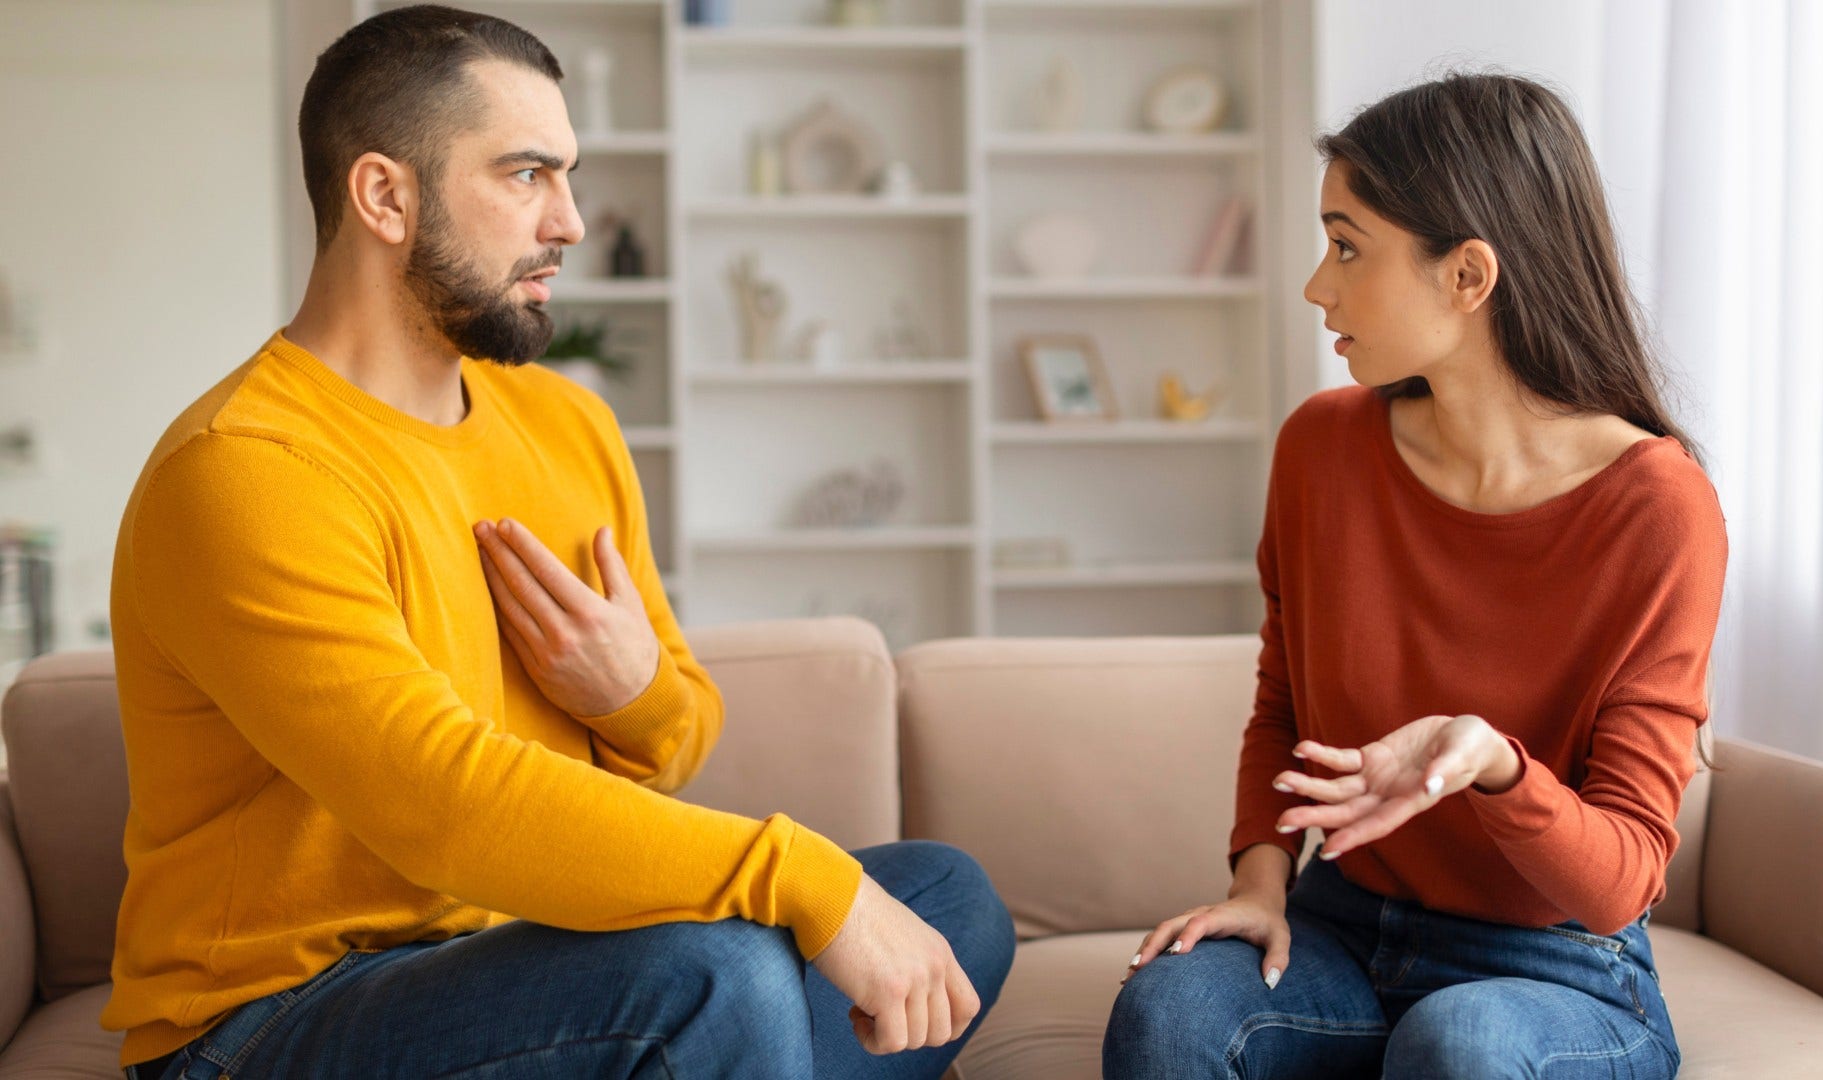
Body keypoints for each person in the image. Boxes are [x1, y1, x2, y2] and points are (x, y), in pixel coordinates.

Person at [101, 7, 1012, 1077]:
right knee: (718, 972)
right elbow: (440, 809)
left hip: (534, 960)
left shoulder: (568, 424)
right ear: (385, 196)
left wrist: (630, 693)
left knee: (944, 900)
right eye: (527, 174)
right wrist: (807, 878)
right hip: (276, 1019)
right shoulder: (247, 469)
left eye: (567, 175)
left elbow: (680, 735)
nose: (572, 221)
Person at [1103, 72, 1726, 1080]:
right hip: (1342, 930)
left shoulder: (1657, 505)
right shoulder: (1321, 448)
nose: (1317, 286)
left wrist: (1494, 766)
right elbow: (1282, 708)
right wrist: (1261, 886)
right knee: (1170, 1010)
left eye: (1347, 246)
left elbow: (1622, 880)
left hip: (1558, 964)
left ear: (1468, 275)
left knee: (1461, 1045)